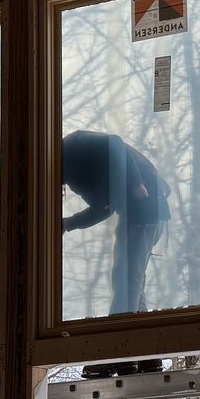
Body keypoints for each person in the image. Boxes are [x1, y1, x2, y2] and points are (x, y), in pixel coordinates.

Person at [60, 131, 169, 374]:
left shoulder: (72, 148)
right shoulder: (72, 166)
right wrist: (69, 223)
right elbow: (105, 206)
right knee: (132, 282)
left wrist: (134, 182)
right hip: (146, 212)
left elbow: (114, 142)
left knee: (126, 280)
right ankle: (145, 354)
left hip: (143, 210)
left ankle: (118, 351)